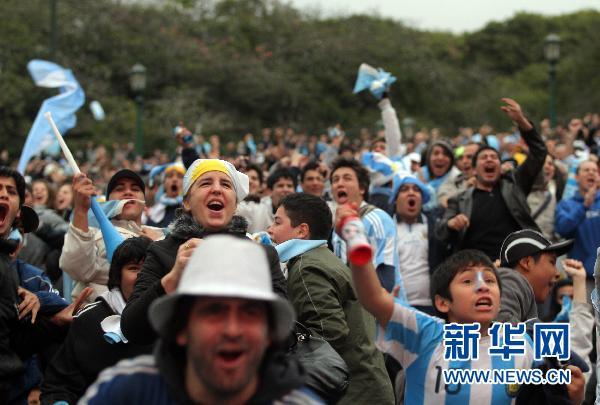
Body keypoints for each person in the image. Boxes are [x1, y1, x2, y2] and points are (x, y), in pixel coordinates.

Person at [81, 236, 322, 404]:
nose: (232, 330)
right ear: (182, 328)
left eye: (250, 313)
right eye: (214, 311)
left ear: (269, 334)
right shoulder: (126, 392)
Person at [121, 159, 287, 345]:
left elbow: (286, 332)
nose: (217, 189)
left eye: (226, 184)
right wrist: (172, 279)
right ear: (187, 202)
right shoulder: (162, 252)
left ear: (235, 205)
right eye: (205, 183)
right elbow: (131, 328)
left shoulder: (262, 255)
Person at [268, 193, 394, 404]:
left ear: (302, 231)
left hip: (353, 395)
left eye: (277, 222)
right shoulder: (323, 258)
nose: (270, 230)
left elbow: (328, 333)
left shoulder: (306, 267)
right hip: (368, 388)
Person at [40, 237, 155, 405]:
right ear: (118, 276)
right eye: (133, 268)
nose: (142, 276)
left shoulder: (172, 320)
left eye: (149, 268)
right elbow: (60, 385)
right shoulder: (89, 320)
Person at [435, 98, 547, 259]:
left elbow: (539, 152)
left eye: (494, 157)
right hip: (478, 273)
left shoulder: (515, 185)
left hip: (515, 268)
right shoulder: (459, 200)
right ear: (473, 170)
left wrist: (521, 121)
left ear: (501, 167)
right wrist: (451, 224)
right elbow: (441, 233)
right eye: (483, 157)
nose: (489, 160)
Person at [59, 169, 164, 300]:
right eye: (119, 189)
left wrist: (160, 243)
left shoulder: (162, 234)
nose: (128, 192)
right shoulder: (92, 233)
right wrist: (80, 210)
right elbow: (75, 267)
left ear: (144, 203)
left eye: (135, 189)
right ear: (108, 202)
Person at [329, 157, 402, 294]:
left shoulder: (378, 220)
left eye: (347, 178)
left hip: (380, 309)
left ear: (362, 188)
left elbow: (386, 281)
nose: (340, 184)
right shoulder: (337, 228)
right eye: (335, 180)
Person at [391, 175, 447, 314]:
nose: (411, 192)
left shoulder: (435, 226)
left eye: (416, 190)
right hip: (395, 305)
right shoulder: (386, 226)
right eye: (404, 189)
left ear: (422, 199)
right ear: (395, 198)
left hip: (431, 306)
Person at [495, 229, 574, 323]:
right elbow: (505, 333)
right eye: (552, 262)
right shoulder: (509, 282)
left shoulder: (525, 306)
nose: (557, 273)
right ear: (527, 263)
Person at [555, 160, 600, 277]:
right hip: (581, 274)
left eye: (595, 170)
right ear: (576, 177)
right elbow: (562, 229)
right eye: (586, 170)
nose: (591, 173)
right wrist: (584, 206)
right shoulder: (566, 204)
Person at [236, 167, 297, 233]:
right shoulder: (256, 208)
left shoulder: (300, 213)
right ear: (270, 191)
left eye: (289, 186)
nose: (285, 189)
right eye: (280, 186)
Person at [146, 163, 185, 228]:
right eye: (170, 176)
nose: (174, 179)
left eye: (179, 176)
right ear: (164, 183)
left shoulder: (190, 210)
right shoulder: (154, 211)